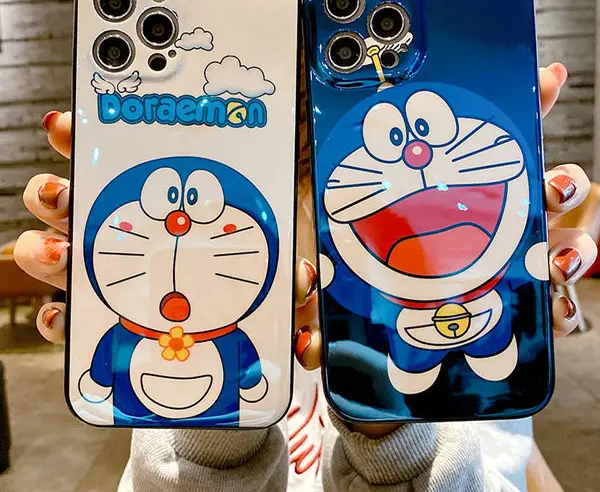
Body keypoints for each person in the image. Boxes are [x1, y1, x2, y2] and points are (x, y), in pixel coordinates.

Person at [14, 61, 594, 491]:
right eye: (295, 166)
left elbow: (511, 467)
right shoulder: (188, 348)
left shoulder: (457, 353)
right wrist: (214, 422)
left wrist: (386, 417)